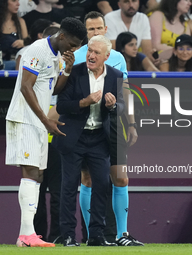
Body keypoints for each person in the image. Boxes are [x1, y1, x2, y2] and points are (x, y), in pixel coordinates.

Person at [5, 17, 86, 248]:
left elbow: (54, 88)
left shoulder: (57, 56)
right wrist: (45, 120)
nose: (74, 49)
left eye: (78, 45)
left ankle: (27, 234)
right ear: (62, 36)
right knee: (31, 172)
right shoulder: (37, 50)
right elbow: (25, 86)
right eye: (72, 43)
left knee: (37, 175)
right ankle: (26, 235)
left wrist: (67, 70)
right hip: (25, 118)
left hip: (39, 122)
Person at [73, 11, 143, 246]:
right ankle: (94, 235)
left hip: (113, 125)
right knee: (88, 180)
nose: (95, 32)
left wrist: (131, 123)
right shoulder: (76, 57)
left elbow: (125, 91)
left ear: (105, 29)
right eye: (90, 29)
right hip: (86, 127)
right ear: (85, 32)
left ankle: (122, 235)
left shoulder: (117, 57)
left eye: (98, 28)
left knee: (121, 178)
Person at [52, 35, 124, 247]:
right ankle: (67, 235)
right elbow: (61, 106)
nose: (91, 55)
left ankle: (96, 236)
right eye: (90, 50)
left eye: (96, 53)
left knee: (102, 185)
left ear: (107, 57)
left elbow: (121, 110)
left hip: (99, 140)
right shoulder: (73, 72)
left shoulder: (116, 76)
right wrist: (85, 102)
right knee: (68, 187)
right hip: (74, 137)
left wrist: (112, 107)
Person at [0, 0, 28, 70]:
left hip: (18, 59)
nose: (18, 4)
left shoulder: (20, 22)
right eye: (14, 1)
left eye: (18, 1)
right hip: (1, 61)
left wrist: (23, 43)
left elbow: (28, 45)